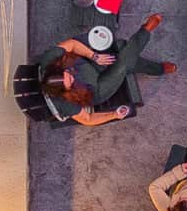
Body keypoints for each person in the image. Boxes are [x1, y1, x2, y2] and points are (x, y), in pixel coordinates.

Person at [36, 12, 170, 127]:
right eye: (69, 81)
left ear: (57, 68)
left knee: (122, 47)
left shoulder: (48, 60)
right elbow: (88, 119)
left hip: (88, 66)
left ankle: (157, 69)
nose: (72, 77)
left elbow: (71, 44)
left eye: (67, 73)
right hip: (96, 89)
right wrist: (114, 115)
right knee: (123, 64)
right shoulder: (63, 103)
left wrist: (94, 56)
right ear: (64, 91)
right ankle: (145, 31)